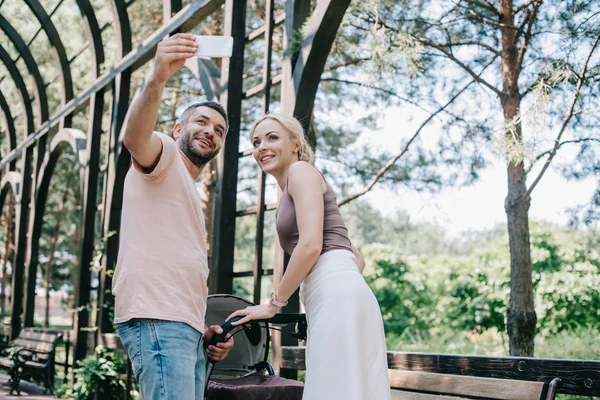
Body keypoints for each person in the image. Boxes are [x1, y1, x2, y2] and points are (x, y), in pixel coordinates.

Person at [227, 114, 391, 399]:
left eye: (272, 137)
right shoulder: (292, 188)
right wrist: (331, 289)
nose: (261, 146)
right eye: (256, 142)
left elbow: (311, 246)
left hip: (336, 296)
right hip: (336, 295)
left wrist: (273, 304)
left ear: (295, 144)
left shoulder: (301, 171)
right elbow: (355, 258)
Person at [111, 33, 234, 400]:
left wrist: (203, 330)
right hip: (159, 318)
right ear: (178, 129)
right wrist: (158, 76)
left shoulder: (184, 187)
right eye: (202, 122)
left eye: (219, 130)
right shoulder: (163, 153)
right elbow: (133, 138)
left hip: (184, 327)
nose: (210, 131)